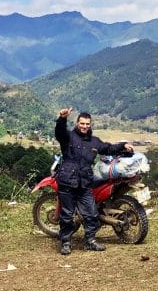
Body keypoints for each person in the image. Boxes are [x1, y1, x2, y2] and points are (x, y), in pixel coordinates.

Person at [54, 107, 133, 255]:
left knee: (91, 214)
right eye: (82, 123)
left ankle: (90, 241)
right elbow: (59, 132)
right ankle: (66, 242)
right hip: (67, 181)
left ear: (90, 125)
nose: (84, 126)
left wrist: (123, 146)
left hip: (84, 183)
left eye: (87, 124)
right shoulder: (68, 137)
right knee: (67, 215)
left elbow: (108, 148)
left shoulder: (94, 142)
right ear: (77, 123)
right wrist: (62, 119)